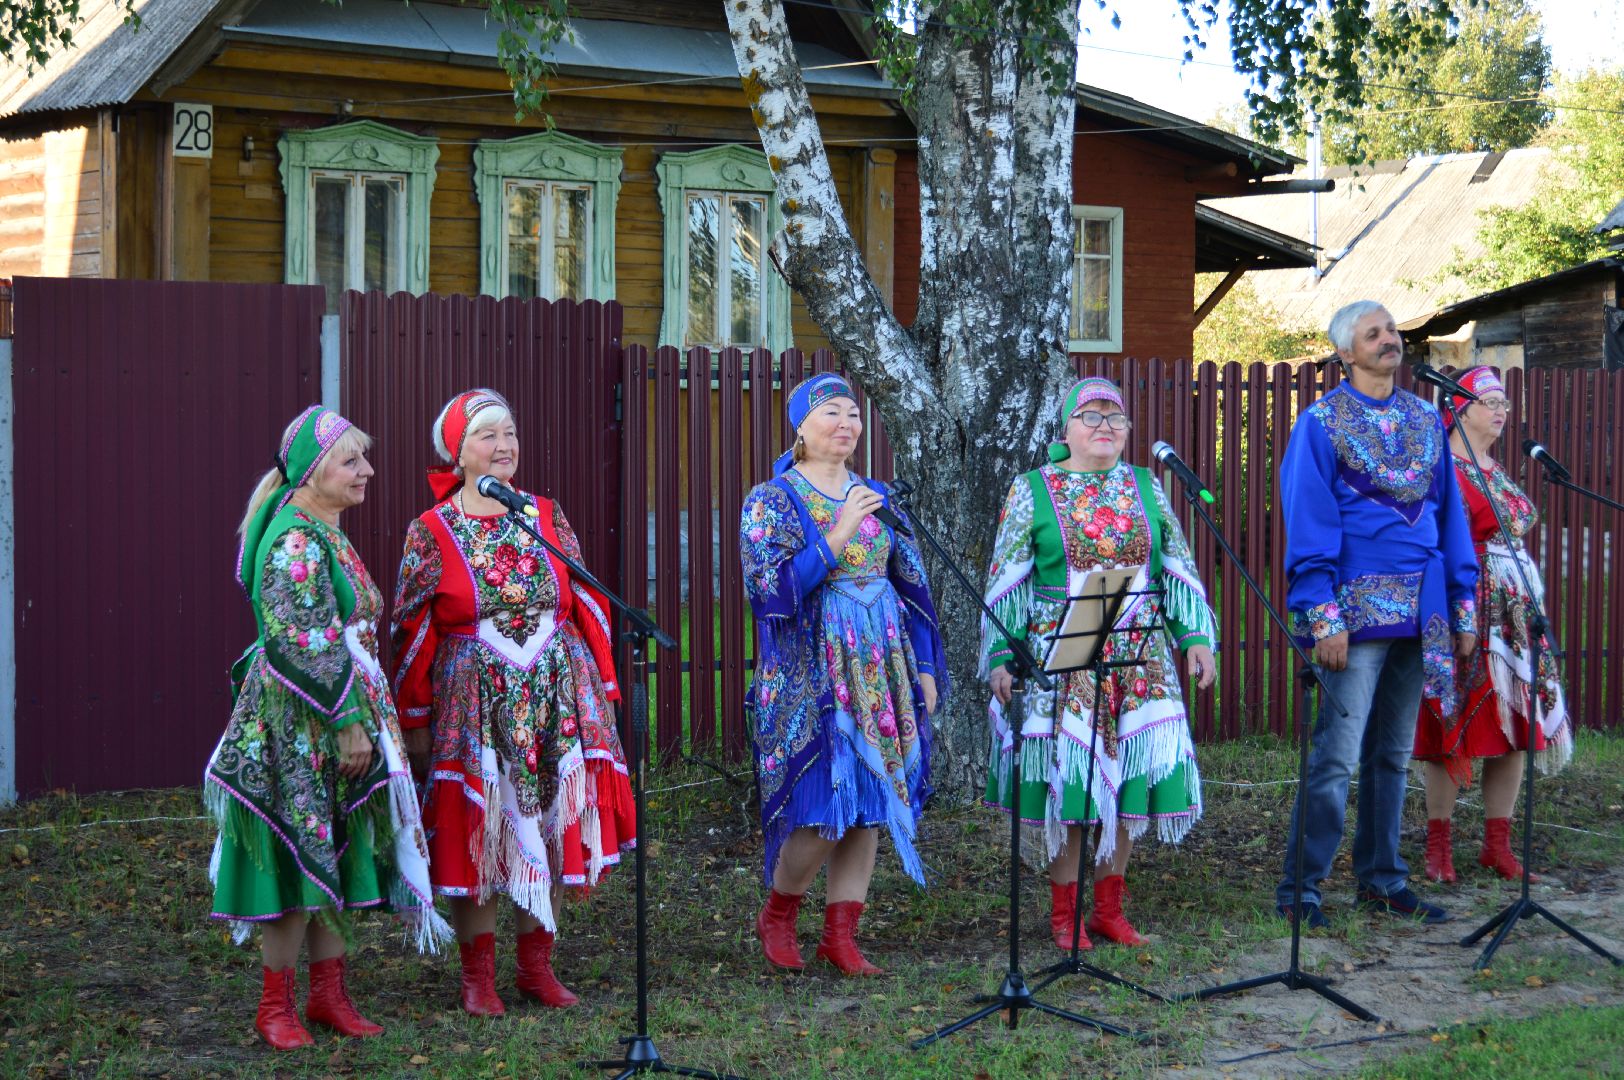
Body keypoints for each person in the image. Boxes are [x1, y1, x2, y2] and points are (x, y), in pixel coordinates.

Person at [205, 405, 447, 1051]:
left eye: (364, 458)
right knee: (293, 855)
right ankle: (274, 1007)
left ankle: (329, 994)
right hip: (300, 720)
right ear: (312, 470)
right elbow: (300, 640)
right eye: (352, 460)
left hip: (335, 713)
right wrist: (347, 723)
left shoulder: (324, 527)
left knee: (333, 847)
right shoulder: (294, 538)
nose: (367, 470)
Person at [392, 389, 635, 1015]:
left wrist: (600, 692)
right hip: (474, 700)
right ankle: (478, 977)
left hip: (554, 692)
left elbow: (583, 602)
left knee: (549, 822)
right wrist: (414, 720)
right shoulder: (432, 530)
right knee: (483, 830)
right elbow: (414, 631)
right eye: (487, 436)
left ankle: (536, 966)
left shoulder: (545, 514)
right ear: (457, 450)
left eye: (511, 433)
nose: (504, 447)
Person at [982, 376, 1217, 950]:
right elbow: (1007, 578)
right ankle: (1065, 915)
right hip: (1060, 656)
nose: (1106, 426)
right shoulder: (1033, 489)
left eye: (1116, 418)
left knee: (1129, 777)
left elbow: (1176, 566)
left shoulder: (1146, 487)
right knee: (1073, 783)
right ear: (1066, 429)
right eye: (1092, 416)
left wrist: (1194, 637)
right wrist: (1000, 656)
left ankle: (1108, 908)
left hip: (1139, 655)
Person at [1277, 301, 1478, 928]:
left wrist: (1464, 600)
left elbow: (1450, 519)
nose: (1390, 340)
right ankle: (1302, 887)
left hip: (1424, 610)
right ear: (1345, 353)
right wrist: (1322, 613)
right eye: (1374, 333)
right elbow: (1308, 519)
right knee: (1336, 756)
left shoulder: (1426, 418)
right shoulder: (1320, 423)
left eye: (1391, 330)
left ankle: (1383, 879)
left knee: (1392, 754)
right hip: (1354, 613)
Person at [742, 373, 946, 976]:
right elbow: (769, 591)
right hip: (814, 675)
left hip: (882, 668)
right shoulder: (772, 501)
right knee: (823, 808)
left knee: (874, 801)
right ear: (800, 427)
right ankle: (779, 914)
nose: (846, 424)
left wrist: (927, 668)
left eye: (853, 414)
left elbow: (914, 589)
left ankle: (841, 935)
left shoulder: (878, 495)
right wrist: (836, 535)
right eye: (830, 412)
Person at [1414, 366, 1571, 883]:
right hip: (1468, 603)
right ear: (1459, 407)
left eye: (1504, 402)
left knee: (1515, 727)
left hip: (1514, 613)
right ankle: (1439, 848)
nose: (1502, 411)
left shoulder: (1494, 468)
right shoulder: (1441, 465)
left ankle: (1497, 846)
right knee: (1454, 722)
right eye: (1491, 401)